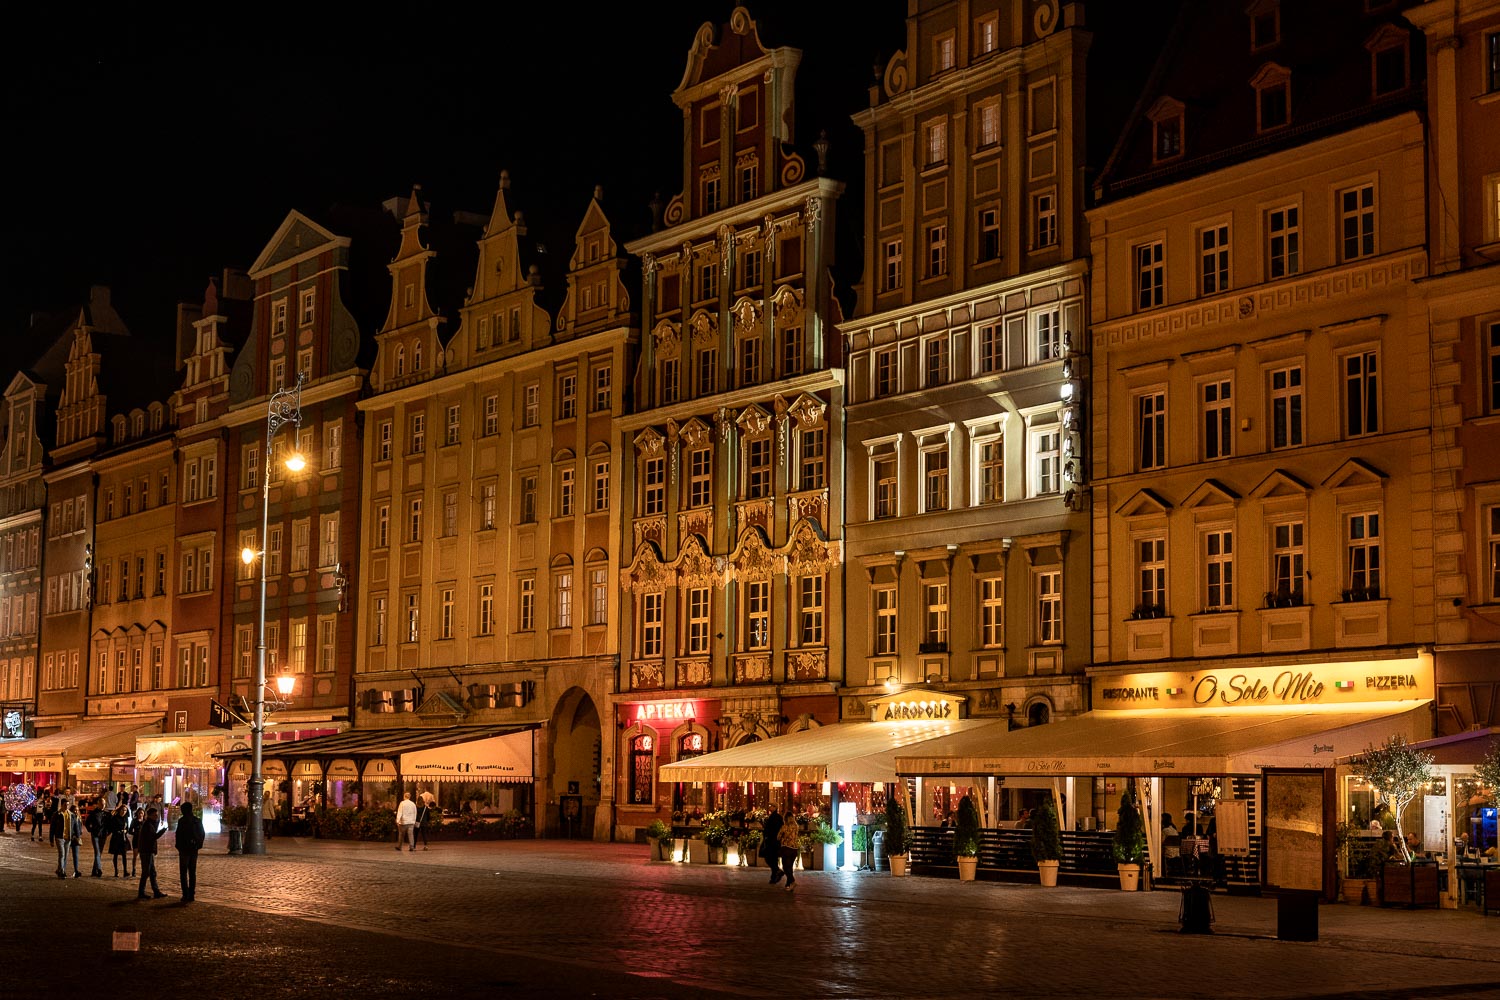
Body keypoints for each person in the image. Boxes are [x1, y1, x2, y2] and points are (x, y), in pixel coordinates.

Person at [175, 801, 205, 902]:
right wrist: (198, 845)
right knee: (192, 872)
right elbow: (202, 834)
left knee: (183, 873)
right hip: (193, 849)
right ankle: (191, 894)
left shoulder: (182, 821)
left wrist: (178, 846)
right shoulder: (197, 820)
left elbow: (178, 835)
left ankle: (185, 894)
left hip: (184, 849)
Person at [136, 806, 167, 899]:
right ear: (150, 815)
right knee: (146, 872)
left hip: (148, 851)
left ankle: (156, 891)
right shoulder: (148, 825)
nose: (156, 817)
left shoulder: (149, 824)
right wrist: (162, 831)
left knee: (152, 872)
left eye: (157, 815)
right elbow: (152, 838)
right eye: (155, 815)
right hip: (146, 852)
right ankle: (141, 893)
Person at [778, 810, 801, 890]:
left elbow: (778, 836)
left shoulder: (785, 827)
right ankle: (788, 885)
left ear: (785, 818)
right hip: (794, 848)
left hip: (786, 848)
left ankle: (792, 881)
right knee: (790, 867)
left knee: (785, 867)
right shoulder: (796, 826)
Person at [761, 807, 784, 885]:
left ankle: (775, 874)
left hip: (772, 841)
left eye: (771, 806)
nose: (769, 807)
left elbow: (772, 829)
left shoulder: (775, 817)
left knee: (770, 858)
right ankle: (775, 874)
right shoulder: (776, 817)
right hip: (773, 841)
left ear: (774, 808)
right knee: (772, 859)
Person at [86, 797, 107, 877]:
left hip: (103, 835)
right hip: (95, 835)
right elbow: (87, 822)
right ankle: (99, 869)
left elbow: (109, 824)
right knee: (97, 852)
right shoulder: (94, 813)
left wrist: (107, 832)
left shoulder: (106, 814)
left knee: (99, 853)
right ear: (98, 804)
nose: (103, 805)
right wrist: (90, 830)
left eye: (104, 804)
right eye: (102, 804)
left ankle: (94, 871)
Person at [106, 804, 129, 877]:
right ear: (119, 810)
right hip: (116, 838)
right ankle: (116, 871)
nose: (124, 811)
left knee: (124, 855)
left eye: (125, 810)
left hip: (123, 838)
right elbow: (112, 827)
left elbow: (127, 827)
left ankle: (125, 871)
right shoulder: (115, 818)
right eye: (122, 810)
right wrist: (118, 831)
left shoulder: (126, 818)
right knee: (115, 855)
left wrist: (126, 831)